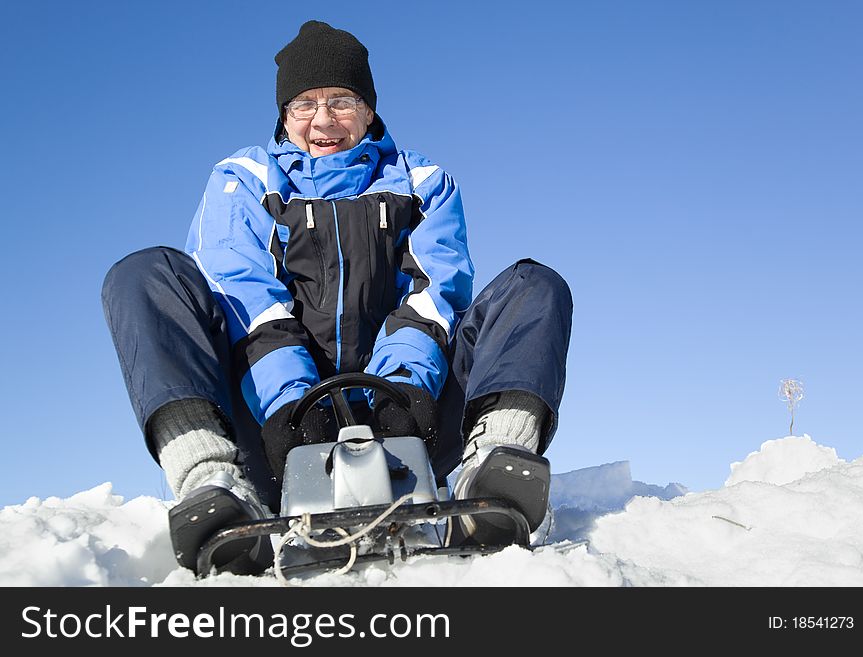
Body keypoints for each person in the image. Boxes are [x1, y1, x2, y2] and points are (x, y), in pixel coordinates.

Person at [102, 20, 573, 575]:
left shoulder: (424, 180)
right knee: (144, 274)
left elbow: (435, 291)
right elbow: (243, 293)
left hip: (411, 417)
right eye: (304, 104)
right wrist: (290, 409)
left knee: (533, 286)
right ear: (283, 114)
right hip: (275, 427)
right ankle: (211, 481)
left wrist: (400, 398)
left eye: (341, 101)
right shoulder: (244, 177)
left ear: (369, 110)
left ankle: (495, 465)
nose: (322, 120)